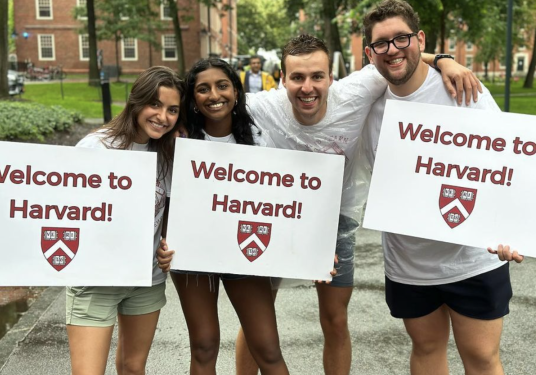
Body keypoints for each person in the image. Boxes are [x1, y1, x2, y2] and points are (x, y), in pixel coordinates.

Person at [158, 35, 480, 374]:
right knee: (258, 320)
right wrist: (176, 123)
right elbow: (205, 100)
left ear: (331, 77)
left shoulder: (356, 90)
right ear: (282, 78)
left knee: (335, 319)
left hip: (336, 216)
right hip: (278, 216)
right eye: (297, 77)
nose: (307, 87)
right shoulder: (260, 106)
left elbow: (397, 54)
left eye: (317, 76)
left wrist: (445, 59)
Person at [361, 1, 524, 374]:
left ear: (420, 38)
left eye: (402, 38)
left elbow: (508, 161)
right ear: (370, 53)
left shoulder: (462, 89)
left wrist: (510, 229)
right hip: (409, 263)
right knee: (427, 349)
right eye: (381, 44)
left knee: (481, 357)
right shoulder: (366, 102)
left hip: (471, 257)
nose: (393, 50)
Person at [166, 57, 290, 375]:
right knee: (204, 345)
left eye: (222, 85)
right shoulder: (178, 140)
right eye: (203, 89)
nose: (214, 95)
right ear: (192, 99)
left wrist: (312, 249)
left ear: (236, 91)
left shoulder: (262, 138)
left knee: (267, 348)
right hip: (193, 254)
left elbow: (287, 199)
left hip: (244, 248)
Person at [66, 66, 183, 375]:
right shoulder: (97, 147)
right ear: (136, 101)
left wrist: (169, 245)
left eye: (172, 110)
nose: (163, 116)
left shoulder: (169, 154)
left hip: (146, 280)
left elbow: (171, 213)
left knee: (133, 368)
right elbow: (66, 210)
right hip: (95, 279)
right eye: (155, 104)